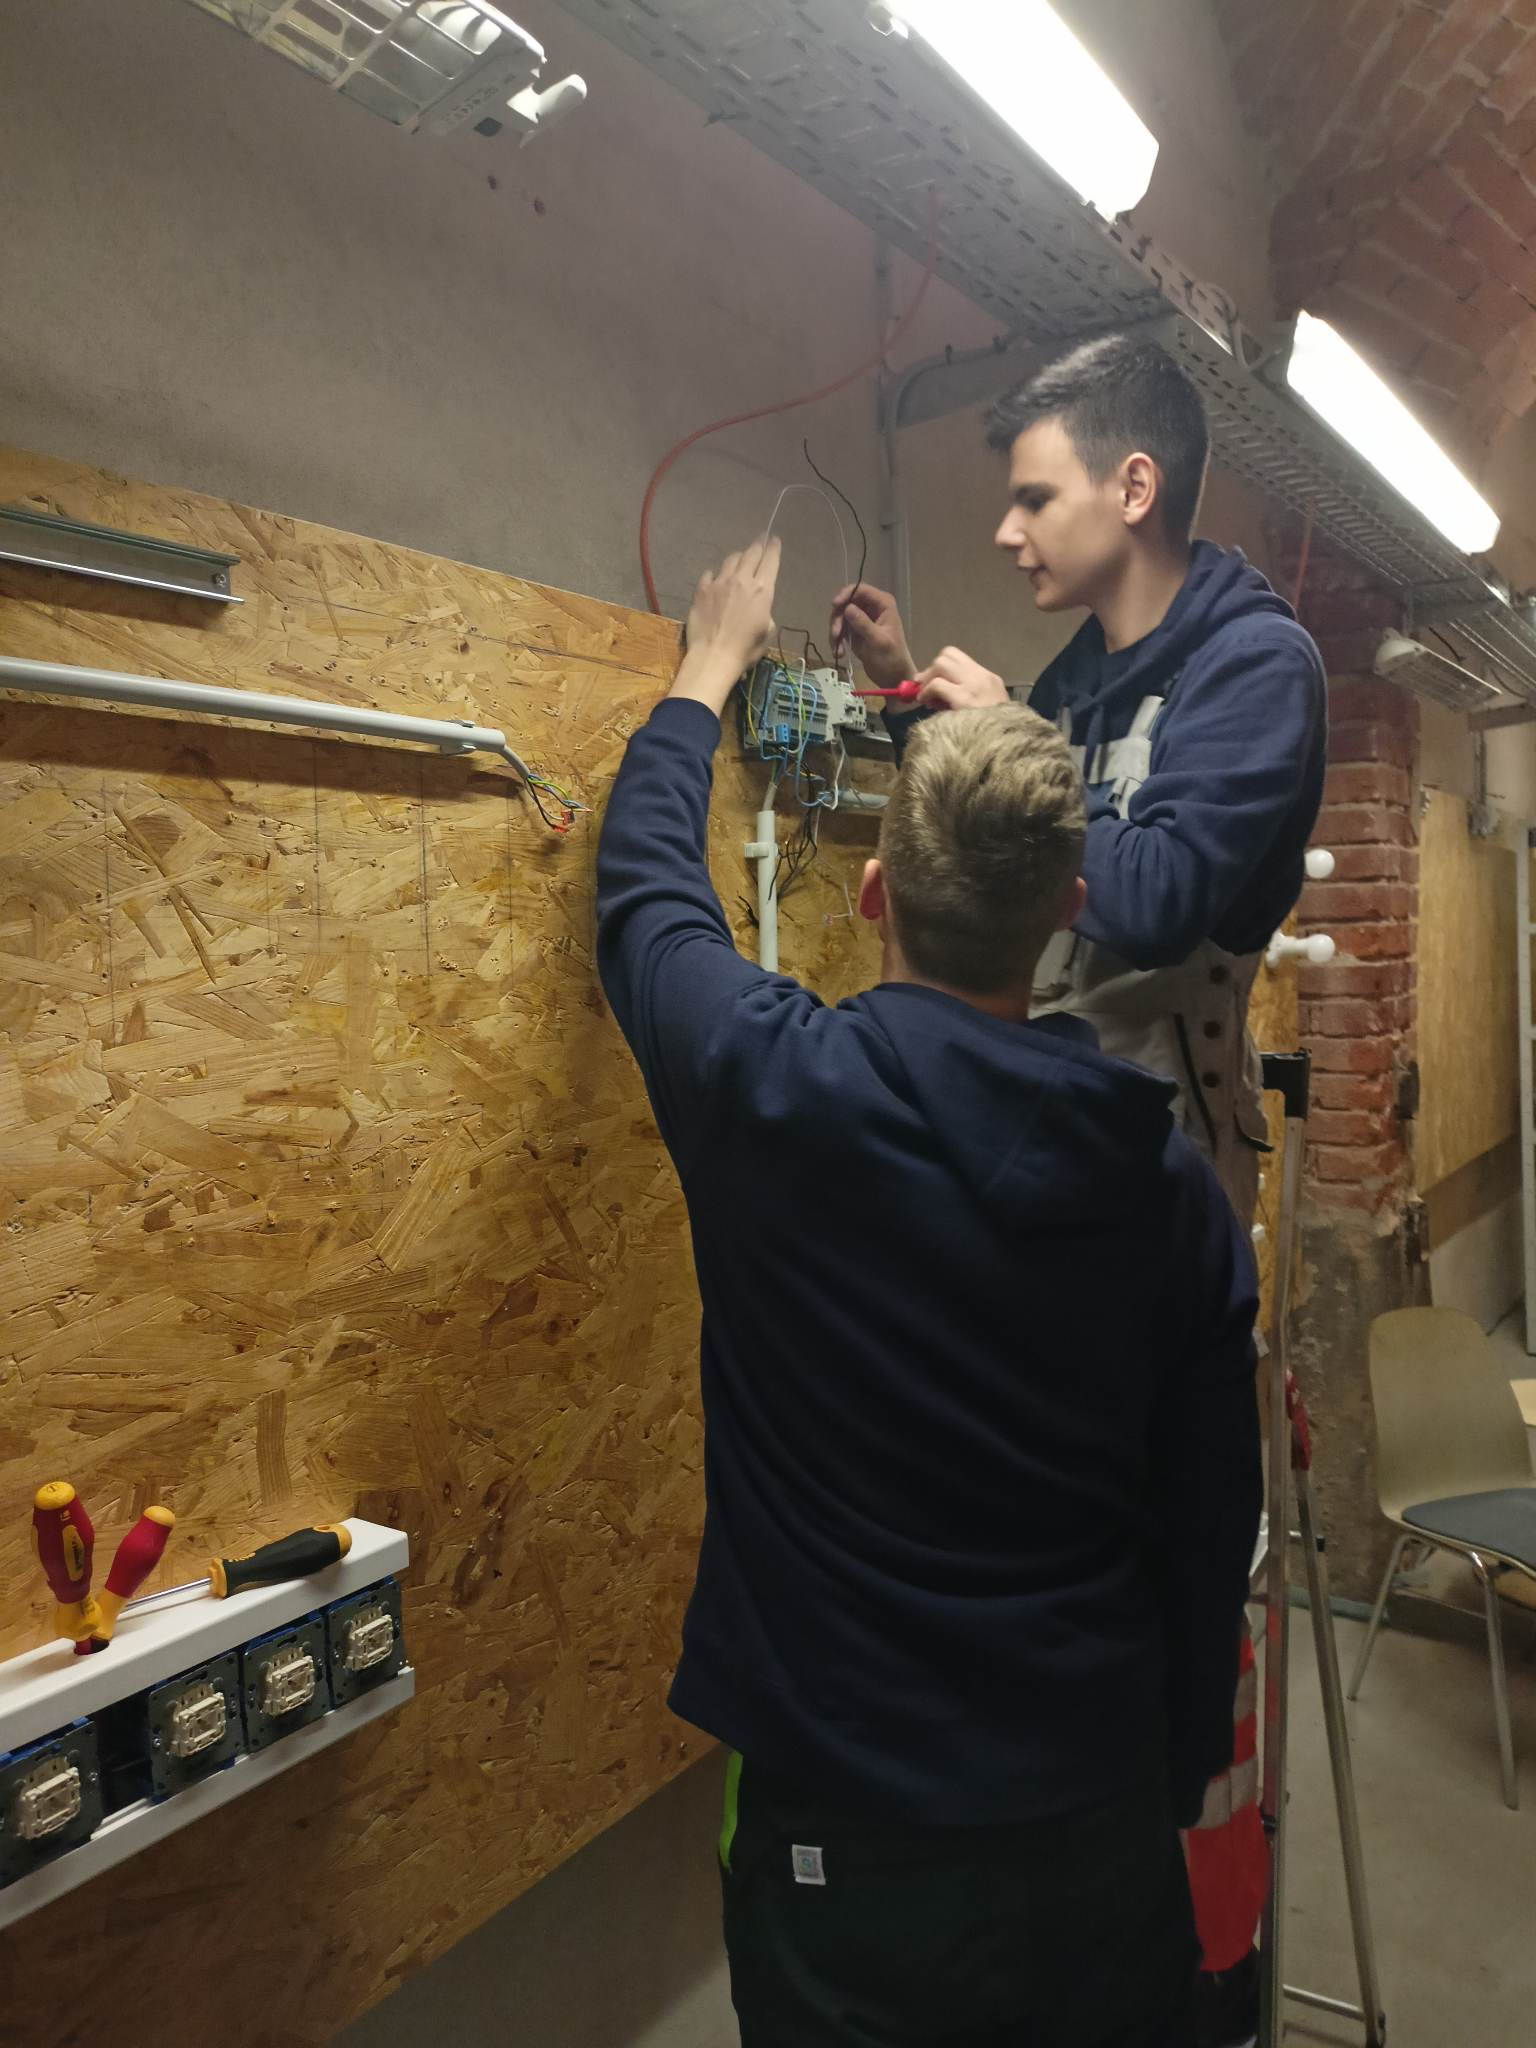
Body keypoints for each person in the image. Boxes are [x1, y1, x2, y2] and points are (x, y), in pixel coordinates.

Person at [596, 535, 1262, 2048]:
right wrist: (1166, 1777)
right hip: (1096, 1829)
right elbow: (1206, 1520)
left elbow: (647, 901)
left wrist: (706, 669)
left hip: (848, 1852)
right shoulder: (1170, 1196)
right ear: (1070, 905)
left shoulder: (774, 1091)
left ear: (873, 892)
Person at [831, 335, 1329, 2048]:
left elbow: (1161, 886)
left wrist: (998, 729)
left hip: (1157, 1167)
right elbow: (1014, 822)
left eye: (1033, 494)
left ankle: (1189, 1965)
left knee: (1160, 1562)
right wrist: (922, 696)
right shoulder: (1092, 674)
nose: (1008, 528)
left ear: (1134, 485)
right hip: (1044, 1143)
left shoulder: (1252, 664)